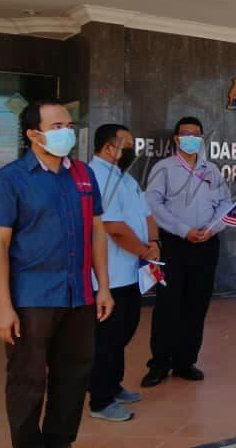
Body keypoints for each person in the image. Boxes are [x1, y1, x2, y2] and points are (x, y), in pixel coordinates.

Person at [0, 100, 114, 448]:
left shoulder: (84, 174)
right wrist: (3, 307)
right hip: (31, 297)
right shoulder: (9, 179)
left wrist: (104, 286)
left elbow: (97, 230)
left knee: (74, 375)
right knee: (27, 380)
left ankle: (60, 441)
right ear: (33, 134)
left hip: (79, 294)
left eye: (69, 125)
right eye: (57, 127)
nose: (66, 132)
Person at [141, 116, 231, 387]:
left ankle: (185, 361)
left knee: (197, 304)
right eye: (185, 134)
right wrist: (183, 230)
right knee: (168, 305)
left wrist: (212, 229)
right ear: (176, 139)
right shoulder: (164, 168)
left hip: (206, 244)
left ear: (202, 138)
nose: (190, 138)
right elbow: (153, 204)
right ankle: (159, 364)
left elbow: (226, 204)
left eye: (196, 134)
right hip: (173, 244)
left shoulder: (212, 170)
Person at [87, 124, 160, 422]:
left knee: (123, 333)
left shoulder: (125, 178)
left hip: (131, 272)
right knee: (106, 339)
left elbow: (147, 214)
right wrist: (144, 251)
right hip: (109, 276)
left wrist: (153, 242)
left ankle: (113, 386)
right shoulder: (97, 177)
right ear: (108, 148)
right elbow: (113, 228)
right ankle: (100, 400)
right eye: (128, 145)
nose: (133, 151)